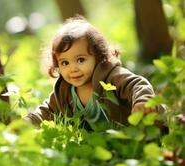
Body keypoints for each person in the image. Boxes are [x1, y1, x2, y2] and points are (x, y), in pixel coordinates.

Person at [25, 15, 162, 128]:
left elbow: (136, 84)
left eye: (80, 60)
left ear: (97, 56)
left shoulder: (112, 77)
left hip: (134, 136)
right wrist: (26, 123)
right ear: (57, 65)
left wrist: (142, 100)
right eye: (65, 63)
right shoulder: (64, 91)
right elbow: (46, 110)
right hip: (100, 147)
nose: (73, 68)